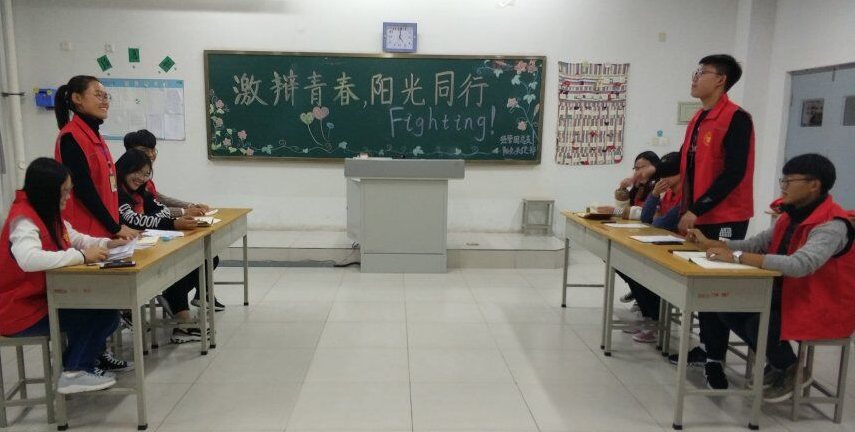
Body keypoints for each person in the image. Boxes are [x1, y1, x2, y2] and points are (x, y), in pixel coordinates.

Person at [688, 153, 855, 402]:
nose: (783, 186)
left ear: (814, 184)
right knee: (727, 305)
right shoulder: (789, 216)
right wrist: (711, 243)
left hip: (821, 303)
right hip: (789, 294)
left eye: (789, 181)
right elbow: (756, 244)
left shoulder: (832, 225)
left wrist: (736, 256)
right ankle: (780, 363)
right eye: (782, 180)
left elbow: (800, 265)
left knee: (759, 322)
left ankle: (790, 369)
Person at [655, 54, 756, 390]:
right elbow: (692, 166)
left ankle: (715, 360)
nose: (695, 77)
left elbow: (734, 172)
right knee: (701, 286)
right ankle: (709, 348)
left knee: (716, 288)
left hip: (724, 217)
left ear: (721, 80)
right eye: (695, 71)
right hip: (697, 211)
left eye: (702, 72)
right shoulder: (699, 118)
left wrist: (698, 208)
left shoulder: (736, 118)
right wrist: (675, 186)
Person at [0, 158, 133, 394]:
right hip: (20, 310)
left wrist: (107, 243)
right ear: (47, 191)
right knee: (102, 314)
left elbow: (76, 237)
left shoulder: (46, 212)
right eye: (64, 191)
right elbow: (29, 259)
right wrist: (81, 256)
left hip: (43, 301)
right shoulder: (24, 219)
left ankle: (72, 367)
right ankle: (74, 371)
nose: (68, 197)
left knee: (104, 310)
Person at [52, 75, 138, 373]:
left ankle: (96, 354)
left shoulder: (95, 137)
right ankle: (78, 365)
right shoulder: (71, 137)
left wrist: (116, 224)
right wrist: (114, 226)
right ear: (77, 99)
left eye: (106, 95)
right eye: (97, 94)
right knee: (88, 302)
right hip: (85, 232)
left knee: (104, 303)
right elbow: (85, 191)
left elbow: (107, 188)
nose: (104, 101)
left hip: (101, 230)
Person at [122, 130, 225, 311]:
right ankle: (177, 306)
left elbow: (159, 203)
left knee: (205, 254)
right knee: (180, 259)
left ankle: (195, 297)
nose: (151, 154)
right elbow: (136, 217)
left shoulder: (144, 181)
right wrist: (179, 215)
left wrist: (188, 207)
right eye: (145, 150)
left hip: (149, 233)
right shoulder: (120, 188)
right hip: (133, 240)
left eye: (153, 150)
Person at [115, 149, 208, 343]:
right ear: (124, 168)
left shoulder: (141, 192)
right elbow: (132, 220)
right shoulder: (117, 193)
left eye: (146, 174)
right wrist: (167, 222)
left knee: (196, 260)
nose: (141, 178)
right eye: (137, 172)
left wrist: (154, 220)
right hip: (123, 250)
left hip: (145, 243)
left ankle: (175, 303)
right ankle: (180, 317)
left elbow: (162, 211)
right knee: (175, 266)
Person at [619, 152, 683, 343]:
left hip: (678, 249)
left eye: (669, 174)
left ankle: (654, 320)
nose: (664, 179)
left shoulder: (686, 197)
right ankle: (649, 317)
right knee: (628, 265)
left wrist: (655, 212)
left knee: (640, 271)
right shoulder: (665, 192)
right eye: (636, 168)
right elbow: (647, 218)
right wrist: (654, 195)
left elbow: (659, 223)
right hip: (661, 243)